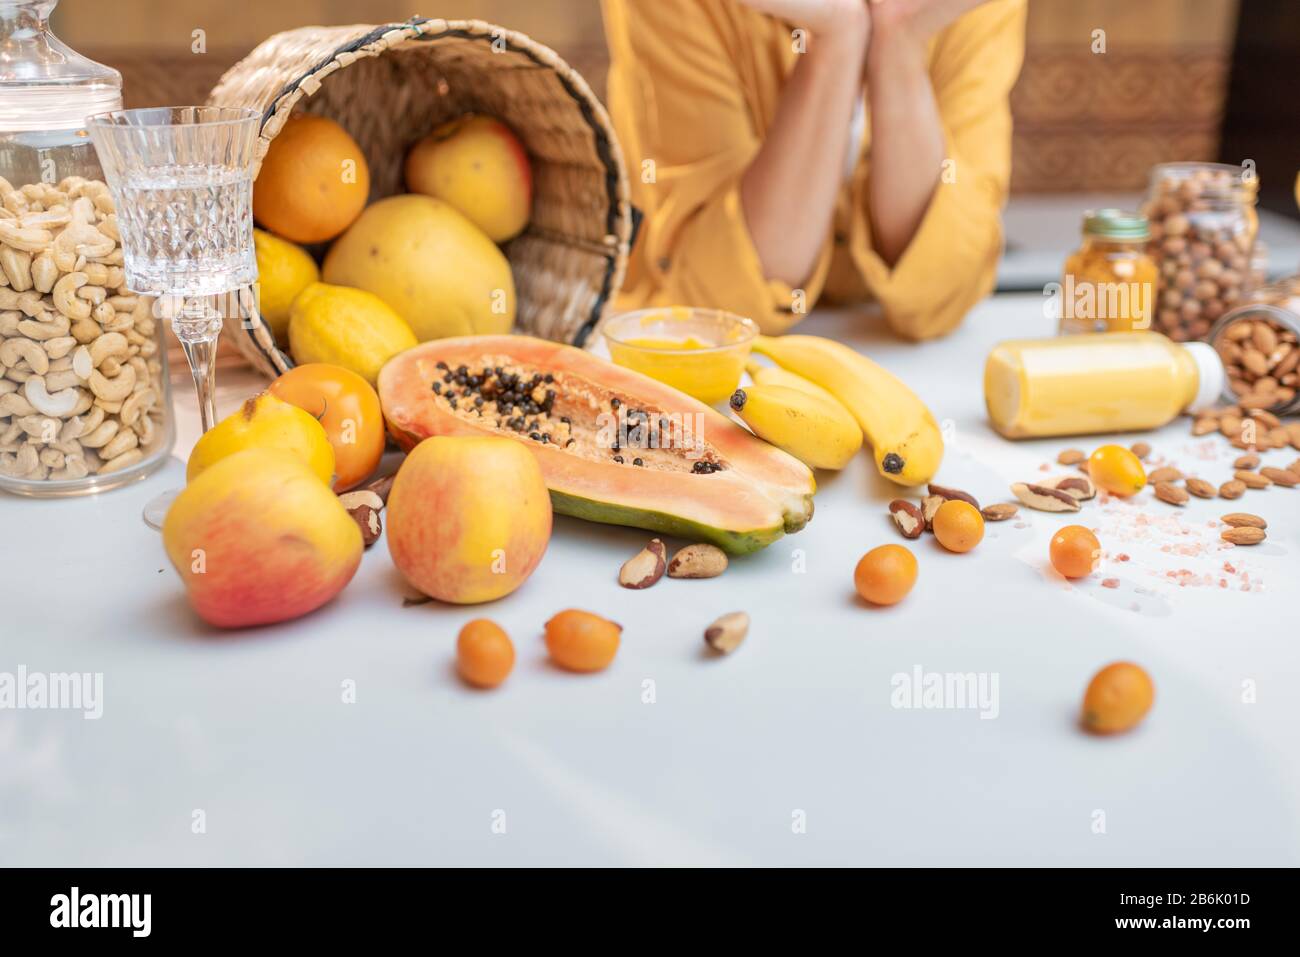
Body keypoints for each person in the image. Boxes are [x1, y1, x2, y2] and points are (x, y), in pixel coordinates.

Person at [602, 0, 1027, 340]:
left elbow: (945, 292)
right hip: (680, 354)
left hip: (894, 359)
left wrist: (901, 40)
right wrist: (837, 38)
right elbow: (718, 311)